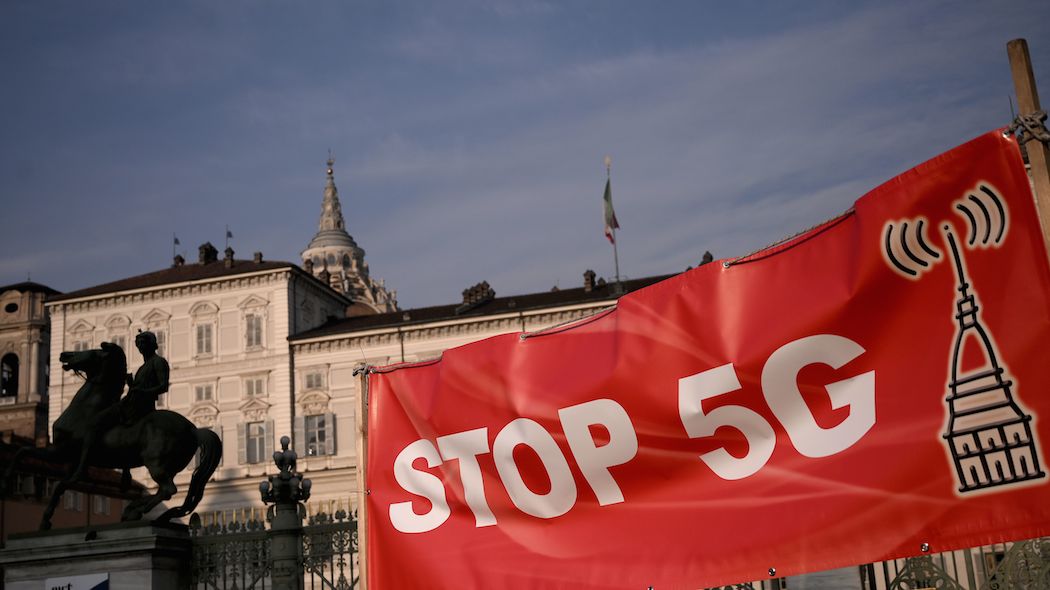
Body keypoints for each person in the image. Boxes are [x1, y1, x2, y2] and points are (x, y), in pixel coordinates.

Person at [119, 331, 170, 425]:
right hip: (133, 403)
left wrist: (143, 392)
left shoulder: (158, 361)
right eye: (138, 343)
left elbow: (164, 386)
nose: (140, 346)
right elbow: (136, 389)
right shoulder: (142, 368)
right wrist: (131, 384)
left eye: (143, 342)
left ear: (151, 344)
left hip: (145, 405)